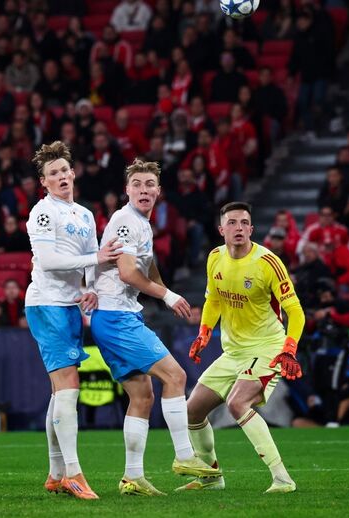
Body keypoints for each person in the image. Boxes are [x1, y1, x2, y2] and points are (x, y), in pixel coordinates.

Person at [91, 159, 221, 496]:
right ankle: (183, 456)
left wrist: (169, 294)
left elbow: (147, 269)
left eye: (150, 184)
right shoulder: (124, 220)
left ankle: (132, 478)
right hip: (115, 317)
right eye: (138, 184)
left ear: (158, 191)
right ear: (127, 190)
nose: (144, 190)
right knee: (176, 377)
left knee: (143, 396)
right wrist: (166, 295)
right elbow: (127, 273)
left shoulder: (141, 225)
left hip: (120, 316)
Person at [181, 202, 304, 494]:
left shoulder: (268, 262)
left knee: (238, 404)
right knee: (192, 411)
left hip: (268, 348)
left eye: (244, 223)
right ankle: (212, 477)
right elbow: (213, 299)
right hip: (233, 351)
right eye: (232, 223)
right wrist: (204, 332)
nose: (239, 228)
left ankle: (283, 479)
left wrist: (289, 348)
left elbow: (296, 312)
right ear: (221, 229)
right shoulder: (214, 258)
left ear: (251, 228)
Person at [25, 141, 122, 499]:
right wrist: (94, 261)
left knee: (61, 391)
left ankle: (55, 473)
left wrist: (92, 287)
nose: (62, 176)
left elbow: (92, 259)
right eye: (54, 173)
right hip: (46, 302)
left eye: (65, 170)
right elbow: (49, 261)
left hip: (68, 305)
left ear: (73, 173)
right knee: (68, 388)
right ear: (44, 181)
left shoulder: (82, 214)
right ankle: (74, 472)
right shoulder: (43, 213)